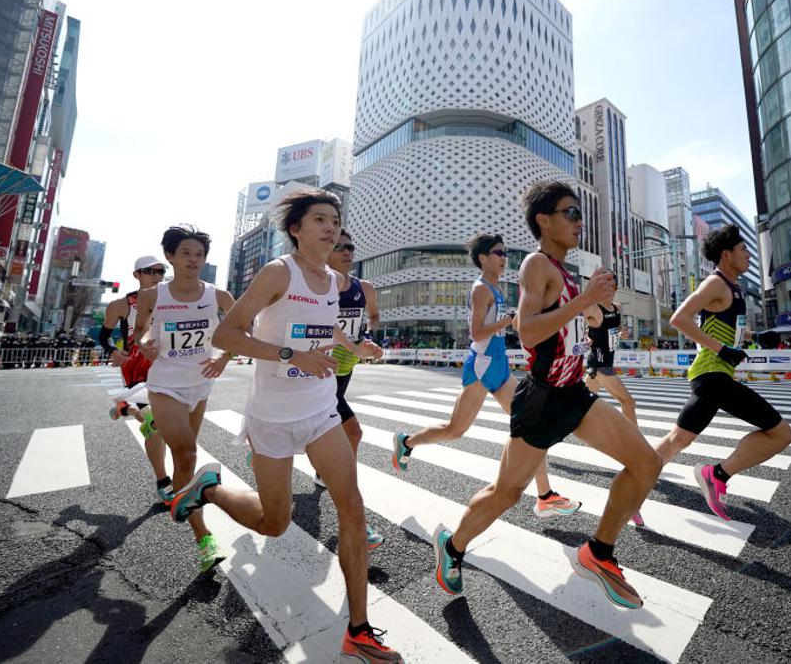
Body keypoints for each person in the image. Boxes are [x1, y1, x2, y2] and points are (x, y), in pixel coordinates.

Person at [175, 189, 400, 662]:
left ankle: (358, 631)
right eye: (319, 219)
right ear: (296, 229)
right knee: (273, 524)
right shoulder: (280, 271)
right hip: (272, 418)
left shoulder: (336, 281)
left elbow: (324, 327)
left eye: (335, 220)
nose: (330, 227)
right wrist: (288, 354)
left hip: (320, 411)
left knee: (353, 509)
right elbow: (227, 333)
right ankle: (210, 489)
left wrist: (355, 349)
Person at [433, 180, 662, 609]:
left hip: (575, 393)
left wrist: (600, 313)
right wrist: (586, 303)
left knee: (646, 463)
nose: (579, 223)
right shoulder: (536, 266)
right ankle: (453, 544)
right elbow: (530, 331)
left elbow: (579, 328)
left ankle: (599, 553)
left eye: (579, 215)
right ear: (544, 220)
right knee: (506, 493)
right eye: (570, 213)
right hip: (541, 400)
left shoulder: (567, 274)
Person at [392, 233, 581, 518]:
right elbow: (476, 333)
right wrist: (507, 321)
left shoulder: (498, 289)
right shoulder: (481, 289)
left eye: (505, 253)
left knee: (532, 425)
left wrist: (518, 323)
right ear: (483, 258)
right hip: (481, 367)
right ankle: (406, 442)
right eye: (498, 253)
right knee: (455, 430)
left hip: (499, 366)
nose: (504, 258)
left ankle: (545, 495)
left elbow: (500, 328)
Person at [654, 225, 791, 522]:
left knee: (677, 440)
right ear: (726, 254)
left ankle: (636, 482)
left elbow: (731, 336)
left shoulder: (734, 288)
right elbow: (680, 319)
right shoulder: (716, 283)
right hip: (713, 374)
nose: (748, 255)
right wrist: (720, 350)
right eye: (744, 250)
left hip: (713, 376)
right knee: (781, 434)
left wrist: (757, 338)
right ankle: (715, 474)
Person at [132, 227, 234, 573]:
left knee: (186, 464)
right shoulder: (152, 295)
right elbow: (140, 330)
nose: (194, 260)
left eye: (200, 254)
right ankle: (203, 536)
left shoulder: (218, 295)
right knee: (187, 452)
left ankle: (153, 421)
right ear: (171, 257)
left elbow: (239, 330)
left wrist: (223, 358)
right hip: (166, 384)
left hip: (200, 385)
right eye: (186, 253)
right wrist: (145, 341)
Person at [326, 228, 387, 548]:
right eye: (339, 247)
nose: (347, 251)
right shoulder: (321, 283)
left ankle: (271, 441)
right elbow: (323, 322)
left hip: (347, 365)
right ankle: (351, 517)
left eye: (350, 246)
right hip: (322, 365)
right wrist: (351, 345)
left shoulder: (364, 287)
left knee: (325, 426)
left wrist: (369, 338)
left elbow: (374, 316)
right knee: (352, 432)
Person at [99, 256, 171, 505]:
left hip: (168, 368)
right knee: (154, 422)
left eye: (161, 271)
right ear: (137, 275)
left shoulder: (172, 299)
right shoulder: (122, 305)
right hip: (136, 371)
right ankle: (164, 482)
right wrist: (112, 351)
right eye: (150, 271)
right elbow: (104, 336)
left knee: (165, 422)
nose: (157, 276)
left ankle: (124, 407)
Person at [582, 298, 642, 526]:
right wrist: (584, 336)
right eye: (602, 283)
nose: (606, 287)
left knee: (571, 406)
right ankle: (636, 443)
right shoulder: (592, 306)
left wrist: (620, 336)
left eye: (610, 283)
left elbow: (613, 337)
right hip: (599, 366)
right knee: (628, 402)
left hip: (604, 365)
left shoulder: (617, 308)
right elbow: (577, 319)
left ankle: (548, 431)